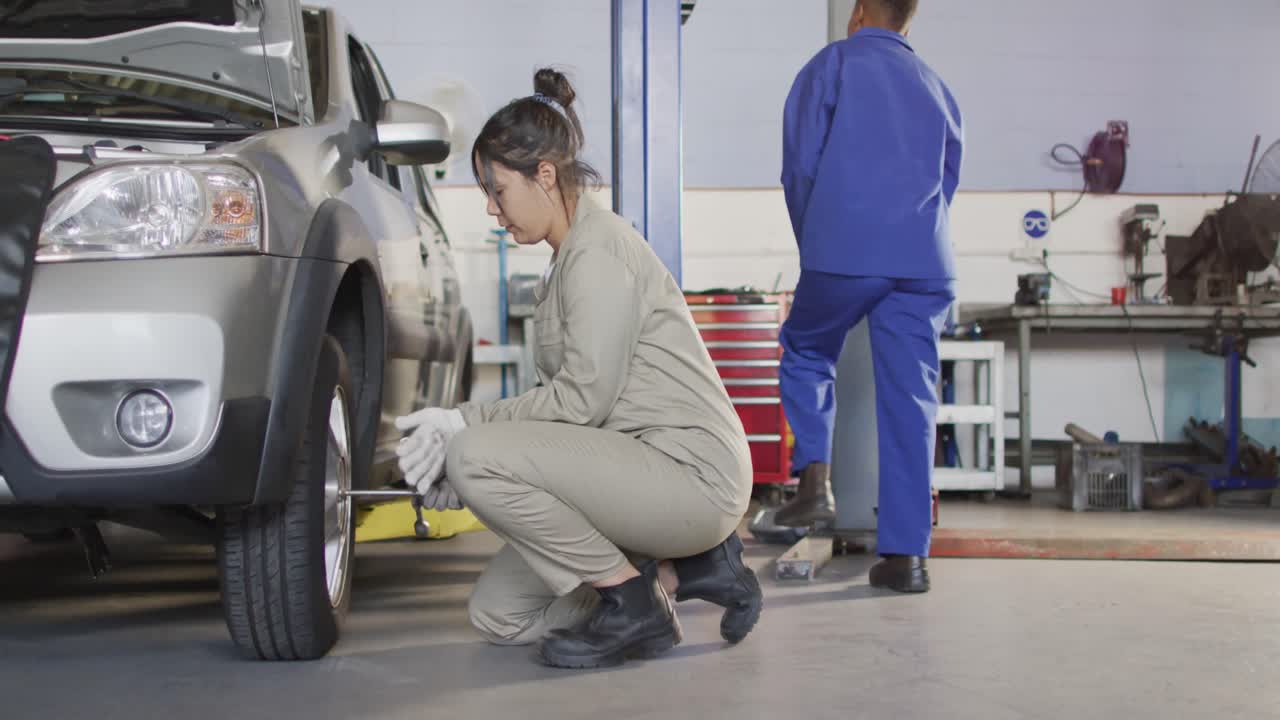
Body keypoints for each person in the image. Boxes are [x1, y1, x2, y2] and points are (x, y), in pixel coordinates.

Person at [394, 68, 763, 669]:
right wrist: (462, 477)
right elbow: (564, 424)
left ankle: (633, 605)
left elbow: (579, 403)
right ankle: (675, 579)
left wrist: (460, 427)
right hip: (634, 468)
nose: (491, 208)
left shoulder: (598, 251)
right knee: (499, 614)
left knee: (472, 453)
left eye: (496, 189)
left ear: (545, 176)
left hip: (691, 474)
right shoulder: (564, 261)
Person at [772, 0, 962, 594]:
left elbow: (799, 169)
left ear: (857, 12)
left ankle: (815, 482)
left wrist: (819, 245)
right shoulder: (937, 85)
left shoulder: (830, 67)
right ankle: (907, 559)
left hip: (844, 250)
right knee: (911, 399)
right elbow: (948, 177)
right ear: (910, 20)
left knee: (806, 349)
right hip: (925, 261)